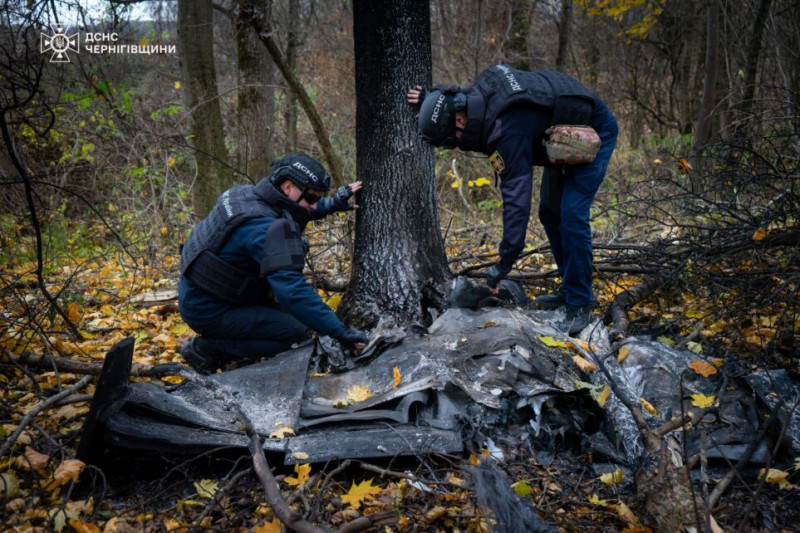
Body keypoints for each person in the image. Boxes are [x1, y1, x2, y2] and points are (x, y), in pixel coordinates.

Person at [407, 64, 618, 335]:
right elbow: (455, 96)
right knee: (550, 213)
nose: (457, 142)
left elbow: (517, 202)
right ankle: (569, 289)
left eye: (454, 137)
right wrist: (430, 100)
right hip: (561, 138)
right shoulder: (480, 92)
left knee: (572, 215)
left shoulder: (507, 134)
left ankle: (580, 303)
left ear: (460, 121)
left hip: (594, 133)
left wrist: (503, 263)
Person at [178, 152, 369, 374]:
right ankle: (208, 350)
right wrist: (339, 331)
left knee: (294, 318)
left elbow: (295, 209)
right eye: (312, 198)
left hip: (199, 293)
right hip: (209, 309)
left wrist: (332, 204)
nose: (313, 204)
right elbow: (293, 292)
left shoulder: (244, 195)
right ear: (288, 187)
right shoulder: (265, 229)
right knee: (300, 332)